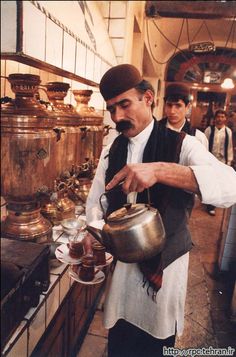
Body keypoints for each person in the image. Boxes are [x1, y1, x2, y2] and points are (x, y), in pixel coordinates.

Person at [85, 64, 236, 357]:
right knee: (120, 341)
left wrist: (162, 171)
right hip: (123, 272)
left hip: (164, 271)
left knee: (155, 344)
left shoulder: (183, 145)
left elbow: (231, 185)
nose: (117, 117)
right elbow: (96, 203)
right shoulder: (111, 151)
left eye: (124, 105)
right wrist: (93, 230)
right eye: (112, 109)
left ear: (149, 99)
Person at [159, 83, 208, 149]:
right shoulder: (154, 130)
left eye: (178, 106)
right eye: (169, 105)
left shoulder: (198, 137)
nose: (172, 111)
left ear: (187, 107)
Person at [204, 109, 234, 216]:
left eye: (222, 117)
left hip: (222, 161)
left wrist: (229, 161)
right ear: (215, 118)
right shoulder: (209, 130)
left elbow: (229, 147)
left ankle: (212, 205)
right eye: (218, 117)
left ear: (225, 119)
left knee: (218, 183)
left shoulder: (228, 131)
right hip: (209, 160)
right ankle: (208, 201)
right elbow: (204, 145)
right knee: (208, 182)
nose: (220, 119)